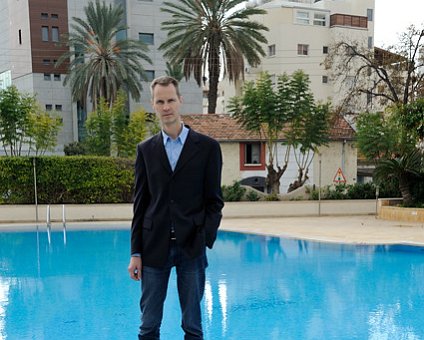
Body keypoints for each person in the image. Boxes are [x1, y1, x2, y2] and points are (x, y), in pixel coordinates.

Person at [128, 76, 224, 339]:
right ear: (153, 105)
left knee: (193, 326)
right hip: (153, 247)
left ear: (180, 101)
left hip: (191, 246)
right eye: (160, 101)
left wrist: (204, 237)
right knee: (148, 326)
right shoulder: (145, 150)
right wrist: (135, 252)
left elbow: (214, 201)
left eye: (171, 100)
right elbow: (140, 204)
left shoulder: (207, 148)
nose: (166, 106)